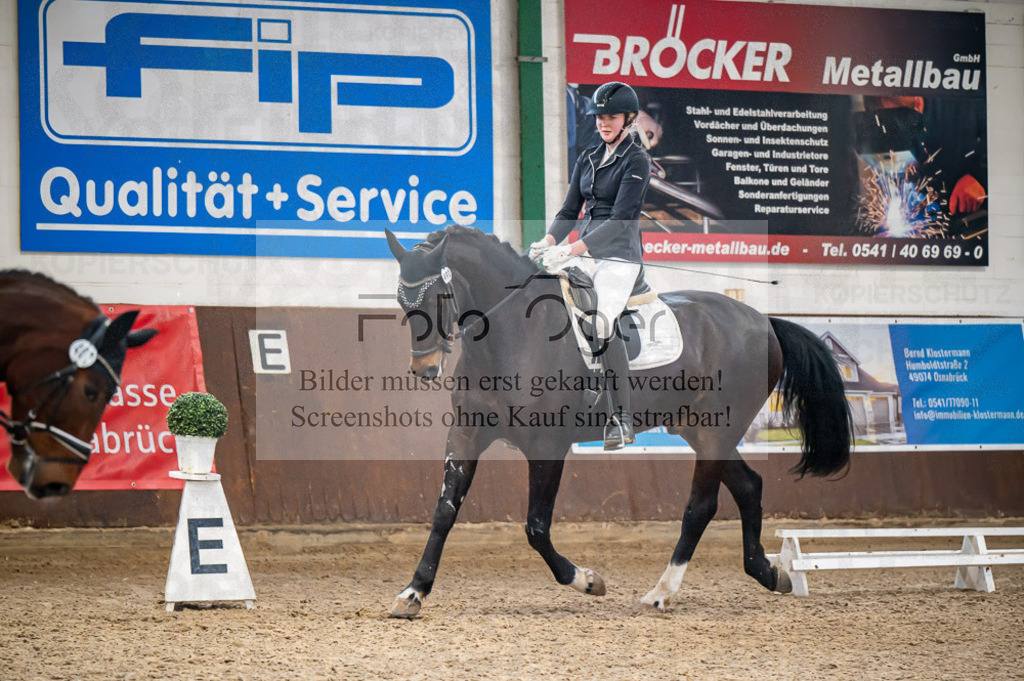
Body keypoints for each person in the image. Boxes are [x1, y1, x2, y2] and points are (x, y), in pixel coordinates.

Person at [529, 81, 651, 450]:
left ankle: (621, 419)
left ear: (628, 119)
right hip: (583, 253)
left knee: (601, 321)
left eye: (611, 117)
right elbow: (569, 211)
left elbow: (621, 219)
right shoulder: (588, 156)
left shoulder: (636, 160)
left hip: (619, 257)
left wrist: (572, 249)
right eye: (599, 117)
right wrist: (548, 242)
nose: (603, 123)